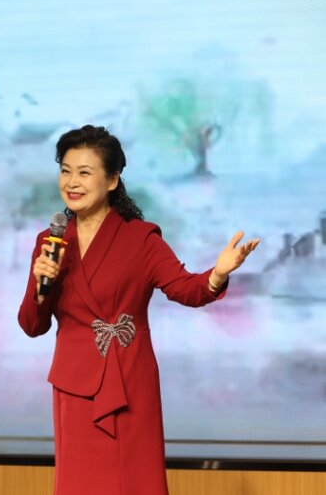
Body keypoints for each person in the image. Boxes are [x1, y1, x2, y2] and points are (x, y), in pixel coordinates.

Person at [17, 125, 259, 495]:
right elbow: (32, 325)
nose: (72, 182)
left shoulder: (141, 238)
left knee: (134, 480)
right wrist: (40, 285)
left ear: (112, 180)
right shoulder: (51, 242)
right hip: (74, 382)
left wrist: (218, 274)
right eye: (65, 171)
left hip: (128, 379)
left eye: (84, 172)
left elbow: (185, 288)